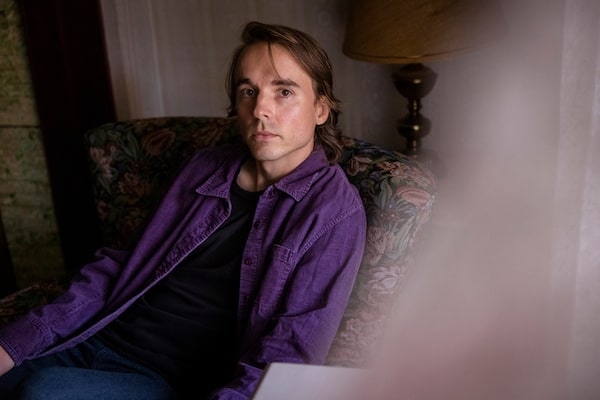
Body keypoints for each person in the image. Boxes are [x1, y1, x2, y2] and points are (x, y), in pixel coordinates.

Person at [0, 21, 366, 400]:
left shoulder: (334, 212)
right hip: (100, 335)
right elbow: (121, 267)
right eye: (248, 91)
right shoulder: (204, 167)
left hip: (164, 378)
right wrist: (12, 345)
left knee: (43, 392)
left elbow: (288, 356)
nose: (260, 109)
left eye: (284, 91)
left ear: (321, 108)